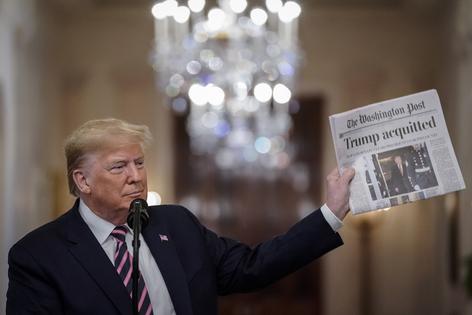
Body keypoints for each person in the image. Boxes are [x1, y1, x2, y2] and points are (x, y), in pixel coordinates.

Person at [7, 118, 355, 315]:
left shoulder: (176, 224)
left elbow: (253, 265)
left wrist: (331, 213)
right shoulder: (38, 256)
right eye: (119, 167)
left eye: (139, 163)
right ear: (82, 181)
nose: (136, 176)